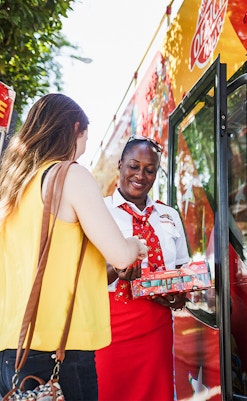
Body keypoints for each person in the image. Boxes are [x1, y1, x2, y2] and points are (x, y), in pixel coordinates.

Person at [0, 93, 148, 400]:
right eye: (85, 138)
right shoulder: (68, 175)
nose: (84, 149)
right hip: (57, 349)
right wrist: (136, 245)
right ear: (75, 129)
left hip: (8, 349)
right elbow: (120, 255)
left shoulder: (12, 184)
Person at [94, 136, 190, 401]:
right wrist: (117, 269)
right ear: (120, 164)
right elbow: (82, 276)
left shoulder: (168, 215)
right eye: (134, 166)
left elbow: (180, 266)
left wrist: (179, 295)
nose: (140, 175)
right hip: (110, 329)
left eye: (150, 170)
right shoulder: (98, 211)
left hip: (157, 328)